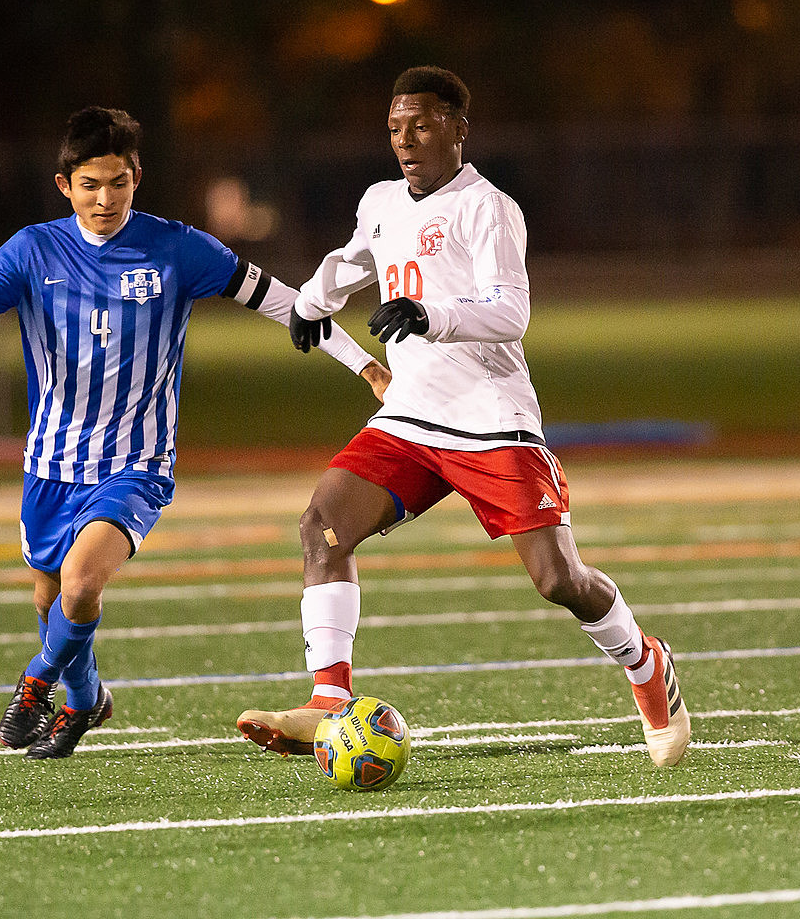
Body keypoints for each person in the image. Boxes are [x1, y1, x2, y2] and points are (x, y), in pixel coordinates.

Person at [235, 66, 690, 767]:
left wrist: (428, 315)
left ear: (457, 128)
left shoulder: (488, 208)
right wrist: (309, 303)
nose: (406, 140)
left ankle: (644, 664)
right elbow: (354, 255)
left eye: (420, 124)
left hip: (489, 416)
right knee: (321, 528)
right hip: (412, 416)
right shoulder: (383, 199)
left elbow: (511, 312)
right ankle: (328, 701)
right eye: (394, 128)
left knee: (557, 581)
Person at [0, 107, 389, 759]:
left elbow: (287, 303)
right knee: (53, 602)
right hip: (49, 466)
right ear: (64, 185)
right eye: (89, 185)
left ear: (137, 177)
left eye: (117, 183)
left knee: (80, 585)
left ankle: (34, 685)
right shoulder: (32, 250)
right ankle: (85, 701)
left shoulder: (177, 248)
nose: (104, 199)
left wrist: (363, 364)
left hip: (134, 464)